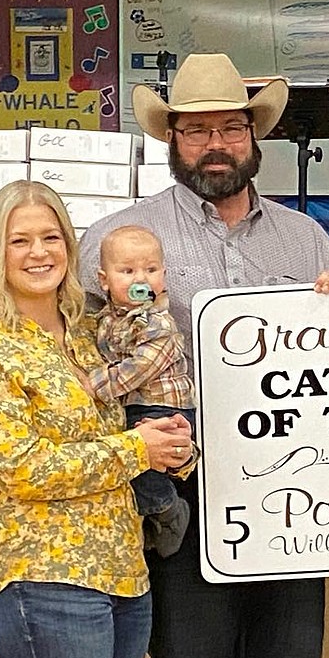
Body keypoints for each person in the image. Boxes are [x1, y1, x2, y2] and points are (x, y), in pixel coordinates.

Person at [78, 53, 329, 658]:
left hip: (291, 488)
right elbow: (79, 361)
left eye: (231, 127)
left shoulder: (308, 239)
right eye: (196, 131)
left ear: (255, 138)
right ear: (172, 140)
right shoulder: (117, 241)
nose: (215, 145)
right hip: (181, 489)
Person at [0, 180, 195, 658]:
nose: (39, 253)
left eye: (51, 236)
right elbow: (22, 468)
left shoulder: (93, 333)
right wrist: (138, 450)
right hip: (45, 579)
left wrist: (175, 447)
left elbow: (141, 407)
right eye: (20, 241)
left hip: (124, 574)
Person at [89, 224, 195, 559]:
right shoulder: (109, 318)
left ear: (163, 275)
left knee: (145, 467)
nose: (141, 280)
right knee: (132, 466)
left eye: (151, 270)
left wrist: (94, 385)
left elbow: (140, 368)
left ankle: (168, 510)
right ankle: (154, 513)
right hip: (134, 406)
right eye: (128, 271)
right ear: (104, 280)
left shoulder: (157, 322)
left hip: (161, 405)